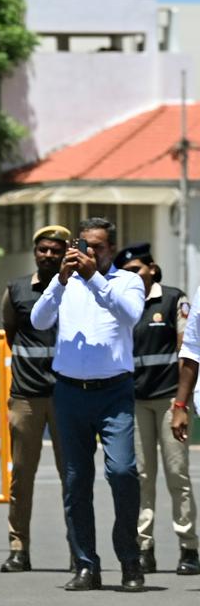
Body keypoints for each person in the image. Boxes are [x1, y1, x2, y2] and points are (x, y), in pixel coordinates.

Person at [31, 216, 146, 592]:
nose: (88, 253)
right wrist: (60, 282)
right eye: (84, 245)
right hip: (69, 392)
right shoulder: (64, 283)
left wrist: (95, 276)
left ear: (110, 248)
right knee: (77, 481)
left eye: (97, 246)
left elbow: (132, 315)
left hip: (114, 392)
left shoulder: (126, 280)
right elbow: (38, 319)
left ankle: (130, 561)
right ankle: (86, 564)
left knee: (124, 472)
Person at [115, 242, 199, 575]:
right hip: (134, 401)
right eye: (126, 273)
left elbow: (187, 352)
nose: (132, 276)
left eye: (136, 269)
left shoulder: (173, 299)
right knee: (141, 477)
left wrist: (182, 402)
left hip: (167, 401)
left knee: (177, 476)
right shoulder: (124, 305)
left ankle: (188, 546)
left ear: (152, 268)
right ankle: (144, 546)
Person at [0, 224, 70, 573]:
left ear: (65, 253)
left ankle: (79, 549)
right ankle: (18, 548)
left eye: (56, 250)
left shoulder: (77, 289)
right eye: (43, 249)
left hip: (66, 395)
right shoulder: (16, 290)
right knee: (22, 475)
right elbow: (12, 335)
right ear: (35, 252)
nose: (49, 255)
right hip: (26, 395)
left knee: (71, 474)